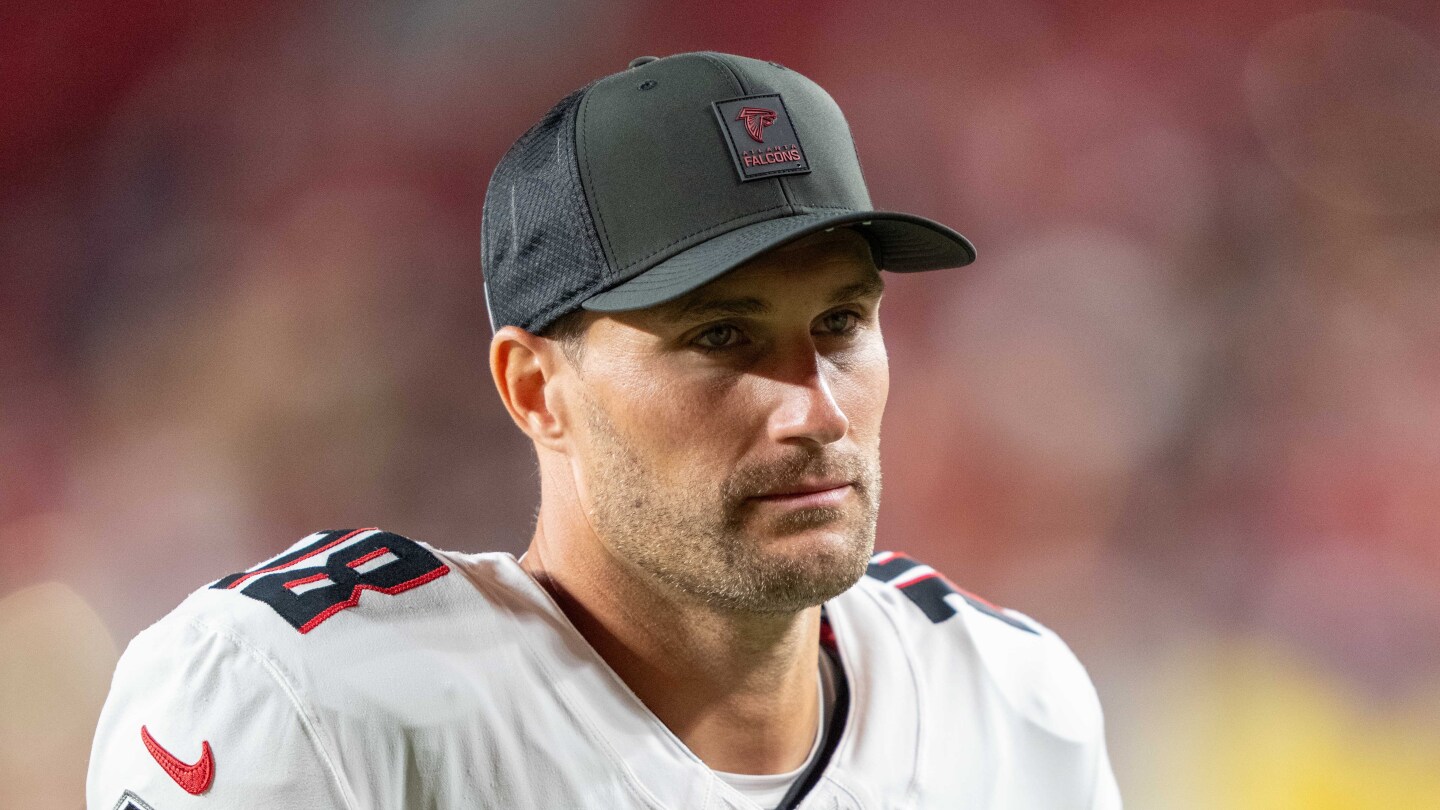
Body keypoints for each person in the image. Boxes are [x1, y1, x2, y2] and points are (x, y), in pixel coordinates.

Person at [88, 52, 1122, 809]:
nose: (814, 409)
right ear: (536, 389)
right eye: (720, 336)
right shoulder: (307, 703)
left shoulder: (1009, 706)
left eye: (841, 324)